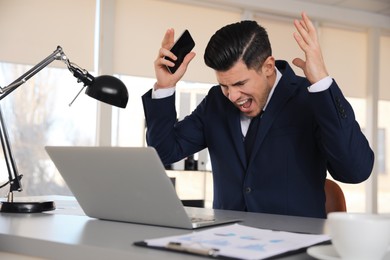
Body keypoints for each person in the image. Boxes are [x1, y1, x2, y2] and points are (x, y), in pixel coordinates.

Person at [142, 12, 374, 218]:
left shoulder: (310, 97)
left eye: (240, 83)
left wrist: (322, 82)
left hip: (294, 244)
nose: (232, 95)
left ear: (268, 67)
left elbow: (355, 170)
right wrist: (164, 88)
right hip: (226, 241)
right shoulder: (216, 101)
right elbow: (164, 152)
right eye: (224, 85)